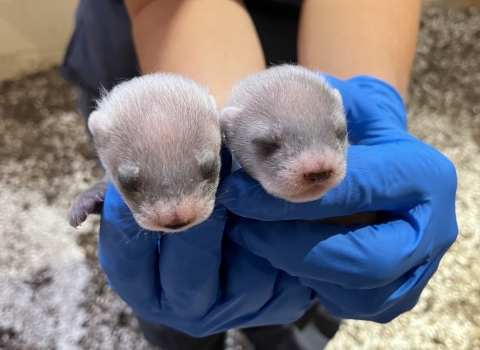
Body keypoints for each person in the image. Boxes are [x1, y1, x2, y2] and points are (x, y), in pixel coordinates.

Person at [61, 0, 458, 349]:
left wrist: (373, 99)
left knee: (309, 285)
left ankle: (293, 333)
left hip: (299, 55)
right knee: (171, 286)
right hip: (156, 36)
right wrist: (212, 136)